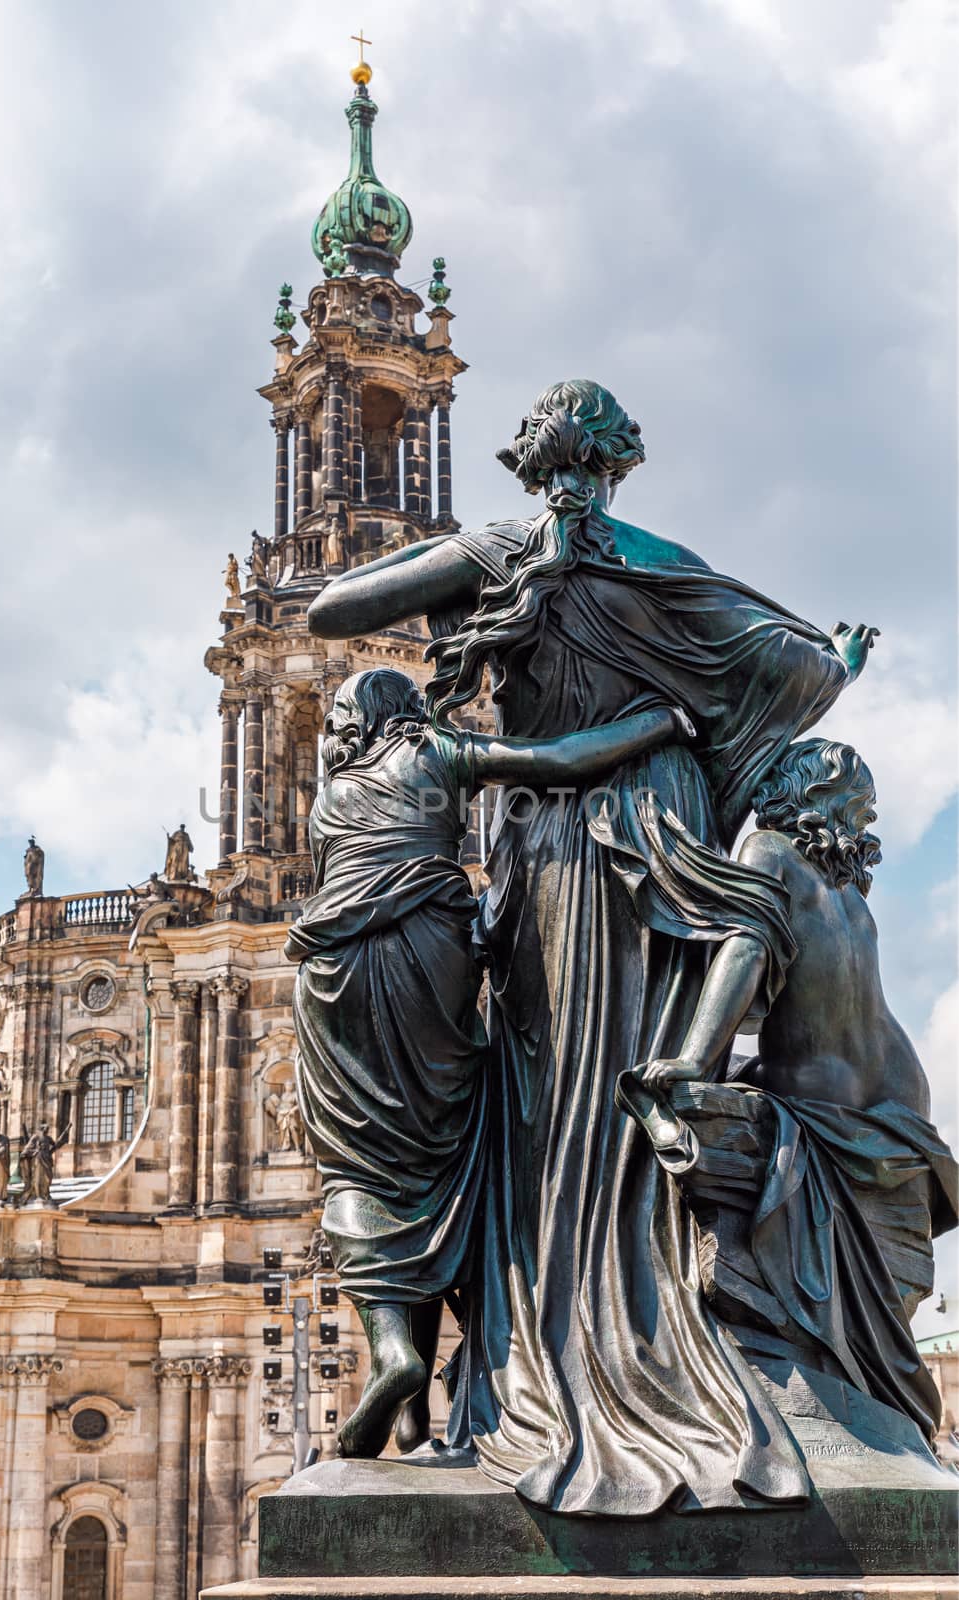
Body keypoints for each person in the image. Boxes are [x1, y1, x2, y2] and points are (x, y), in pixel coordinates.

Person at [306, 379, 877, 1514]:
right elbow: (799, 672)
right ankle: (675, 1343)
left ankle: (542, 1371)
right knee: (629, 1093)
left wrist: (486, 556)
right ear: (619, 463)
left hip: (553, 847)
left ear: (528, 463)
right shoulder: (662, 555)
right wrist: (828, 671)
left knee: (548, 1099)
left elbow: (333, 610)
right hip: (659, 841)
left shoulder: (503, 547)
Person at [286, 666, 695, 1461]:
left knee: (357, 1170)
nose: (334, 726)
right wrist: (659, 724)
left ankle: (395, 1354)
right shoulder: (435, 751)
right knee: (444, 1153)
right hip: (430, 958)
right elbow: (560, 759)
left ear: (354, 722)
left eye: (339, 714)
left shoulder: (326, 801)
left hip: (331, 981)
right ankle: (417, 1397)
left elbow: (336, 881)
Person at [635, 739, 957, 1441]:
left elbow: (747, 949)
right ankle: (875, 1431)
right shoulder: (848, 888)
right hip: (902, 1109)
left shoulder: (770, 852)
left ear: (789, 789)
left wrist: (692, 1058)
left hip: (826, 1106)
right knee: (878, 1316)